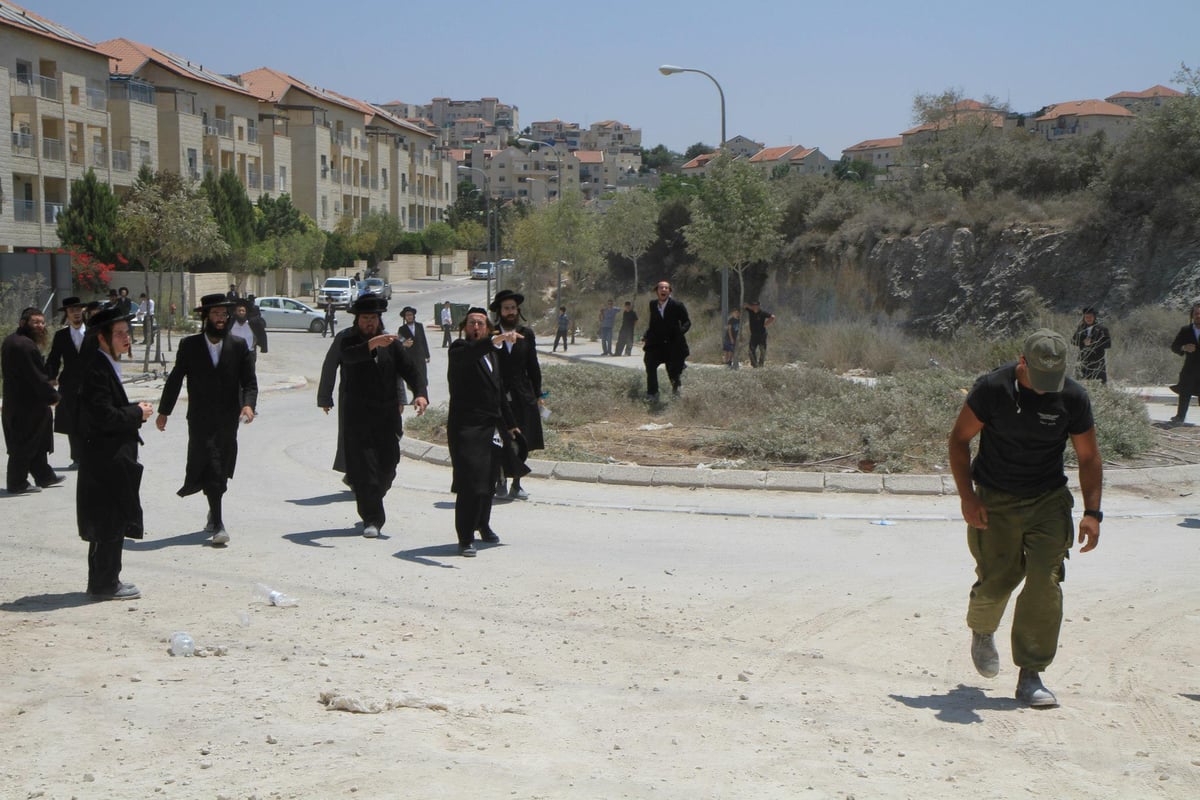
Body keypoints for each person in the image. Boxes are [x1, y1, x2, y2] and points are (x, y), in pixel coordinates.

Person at [948, 329, 1102, 708]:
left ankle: (1031, 674)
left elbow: (1088, 457)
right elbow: (958, 440)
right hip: (995, 498)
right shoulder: (992, 389)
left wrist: (1092, 513)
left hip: (1047, 499)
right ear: (1022, 362)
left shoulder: (1072, 397)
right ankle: (983, 630)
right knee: (997, 580)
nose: (1045, 388)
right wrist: (968, 497)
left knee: (1044, 582)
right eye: (1038, 378)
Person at [155, 294, 258, 546]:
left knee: (221, 466)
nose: (221, 319)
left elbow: (249, 381)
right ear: (205, 317)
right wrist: (164, 411)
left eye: (224, 314)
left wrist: (248, 404)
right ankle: (219, 523)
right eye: (216, 314)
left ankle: (214, 510)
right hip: (200, 419)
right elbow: (176, 378)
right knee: (210, 462)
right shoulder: (189, 345)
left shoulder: (238, 346)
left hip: (227, 418)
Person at [325, 295, 428, 538]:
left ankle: (370, 495)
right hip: (357, 416)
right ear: (357, 320)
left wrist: (420, 394)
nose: (369, 323)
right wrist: (325, 398)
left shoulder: (392, 343)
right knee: (365, 470)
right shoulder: (347, 341)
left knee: (388, 466)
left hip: (387, 415)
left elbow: (410, 370)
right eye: (365, 319)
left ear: (379, 320)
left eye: (373, 318)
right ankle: (372, 518)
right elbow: (342, 360)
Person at [75, 304, 154, 601]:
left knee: (109, 521)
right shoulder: (96, 369)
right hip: (106, 458)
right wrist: (137, 412)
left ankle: (103, 580)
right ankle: (105, 584)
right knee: (109, 521)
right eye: (119, 333)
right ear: (102, 338)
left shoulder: (105, 363)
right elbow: (104, 417)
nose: (127, 338)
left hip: (110, 456)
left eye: (127, 332)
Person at [448, 308, 521, 557]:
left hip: (491, 427)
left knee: (489, 481)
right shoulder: (458, 349)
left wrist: (511, 424)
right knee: (470, 483)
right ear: (465, 327)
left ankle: (483, 523)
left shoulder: (493, 356)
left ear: (487, 327)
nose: (475, 327)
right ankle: (465, 537)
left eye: (480, 323)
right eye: (471, 323)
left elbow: (498, 392)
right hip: (466, 428)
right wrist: (496, 341)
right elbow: (469, 355)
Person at [2, 307, 63, 494]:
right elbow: (36, 376)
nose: (40, 326)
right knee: (24, 443)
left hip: (22, 403)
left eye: (42, 322)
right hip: (26, 405)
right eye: (35, 322)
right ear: (23, 323)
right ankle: (17, 482)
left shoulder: (14, 341)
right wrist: (53, 396)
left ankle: (44, 475)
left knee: (37, 440)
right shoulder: (24, 346)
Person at [491, 289, 543, 500]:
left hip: (523, 395)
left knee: (522, 440)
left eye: (513, 308)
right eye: (506, 308)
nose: (510, 312)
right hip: (498, 395)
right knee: (500, 439)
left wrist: (538, 394)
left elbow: (533, 366)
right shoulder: (492, 335)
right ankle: (500, 480)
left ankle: (517, 483)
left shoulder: (526, 333)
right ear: (500, 312)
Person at [45, 297, 89, 466]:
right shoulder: (61, 335)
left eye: (78, 310)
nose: (76, 314)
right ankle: (77, 458)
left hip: (91, 383)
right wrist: (50, 378)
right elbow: (54, 358)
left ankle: (92, 455)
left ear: (82, 311)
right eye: (72, 311)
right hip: (70, 384)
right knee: (73, 421)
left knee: (91, 419)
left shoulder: (93, 332)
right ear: (67, 314)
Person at [642, 280, 691, 399]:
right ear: (657, 291)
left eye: (666, 288)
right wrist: (646, 335)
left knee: (673, 371)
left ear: (669, 291)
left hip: (673, 344)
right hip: (657, 343)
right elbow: (653, 322)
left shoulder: (677, 305)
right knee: (650, 363)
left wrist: (680, 332)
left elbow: (687, 322)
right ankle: (652, 393)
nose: (663, 290)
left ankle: (677, 394)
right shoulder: (653, 305)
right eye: (661, 288)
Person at [1169, 303, 1200, 424]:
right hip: (1190, 369)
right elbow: (1174, 346)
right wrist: (1184, 348)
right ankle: (1180, 417)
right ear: (1192, 315)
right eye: (1196, 314)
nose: (1198, 316)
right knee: (1184, 393)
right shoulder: (1186, 330)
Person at [1070, 306, 1110, 384]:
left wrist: (1094, 342)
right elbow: (1073, 341)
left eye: (1090, 317)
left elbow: (1108, 344)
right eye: (1086, 317)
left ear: (1094, 317)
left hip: (1097, 361)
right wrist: (1083, 342)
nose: (1088, 319)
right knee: (1081, 385)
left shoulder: (1102, 329)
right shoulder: (1081, 328)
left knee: (1099, 386)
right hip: (1083, 360)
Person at [397, 306, 431, 378]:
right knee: (413, 378)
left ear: (413, 316)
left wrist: (427, 355)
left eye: (410, 315)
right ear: (404, 317)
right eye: (407, 315)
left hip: (420, 356)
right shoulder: (402, 329)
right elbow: (400, 343)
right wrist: (404, 343)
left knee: (423, 377)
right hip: (410, 357)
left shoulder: (419, 326)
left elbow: (424, 340)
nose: (409, 317)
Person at [744, 301, 776, 368]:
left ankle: (761, 365)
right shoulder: (751, 311)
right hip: (753, 335)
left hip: (762, 335)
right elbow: (744, 305)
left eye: (756, 305)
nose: (755, 307)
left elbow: (772, 317)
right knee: (751, 350)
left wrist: (766, 324)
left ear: (759, 306)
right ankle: (755, 365)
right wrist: (751, 307)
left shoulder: (763, 313)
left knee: (762, 350)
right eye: (753, 305)